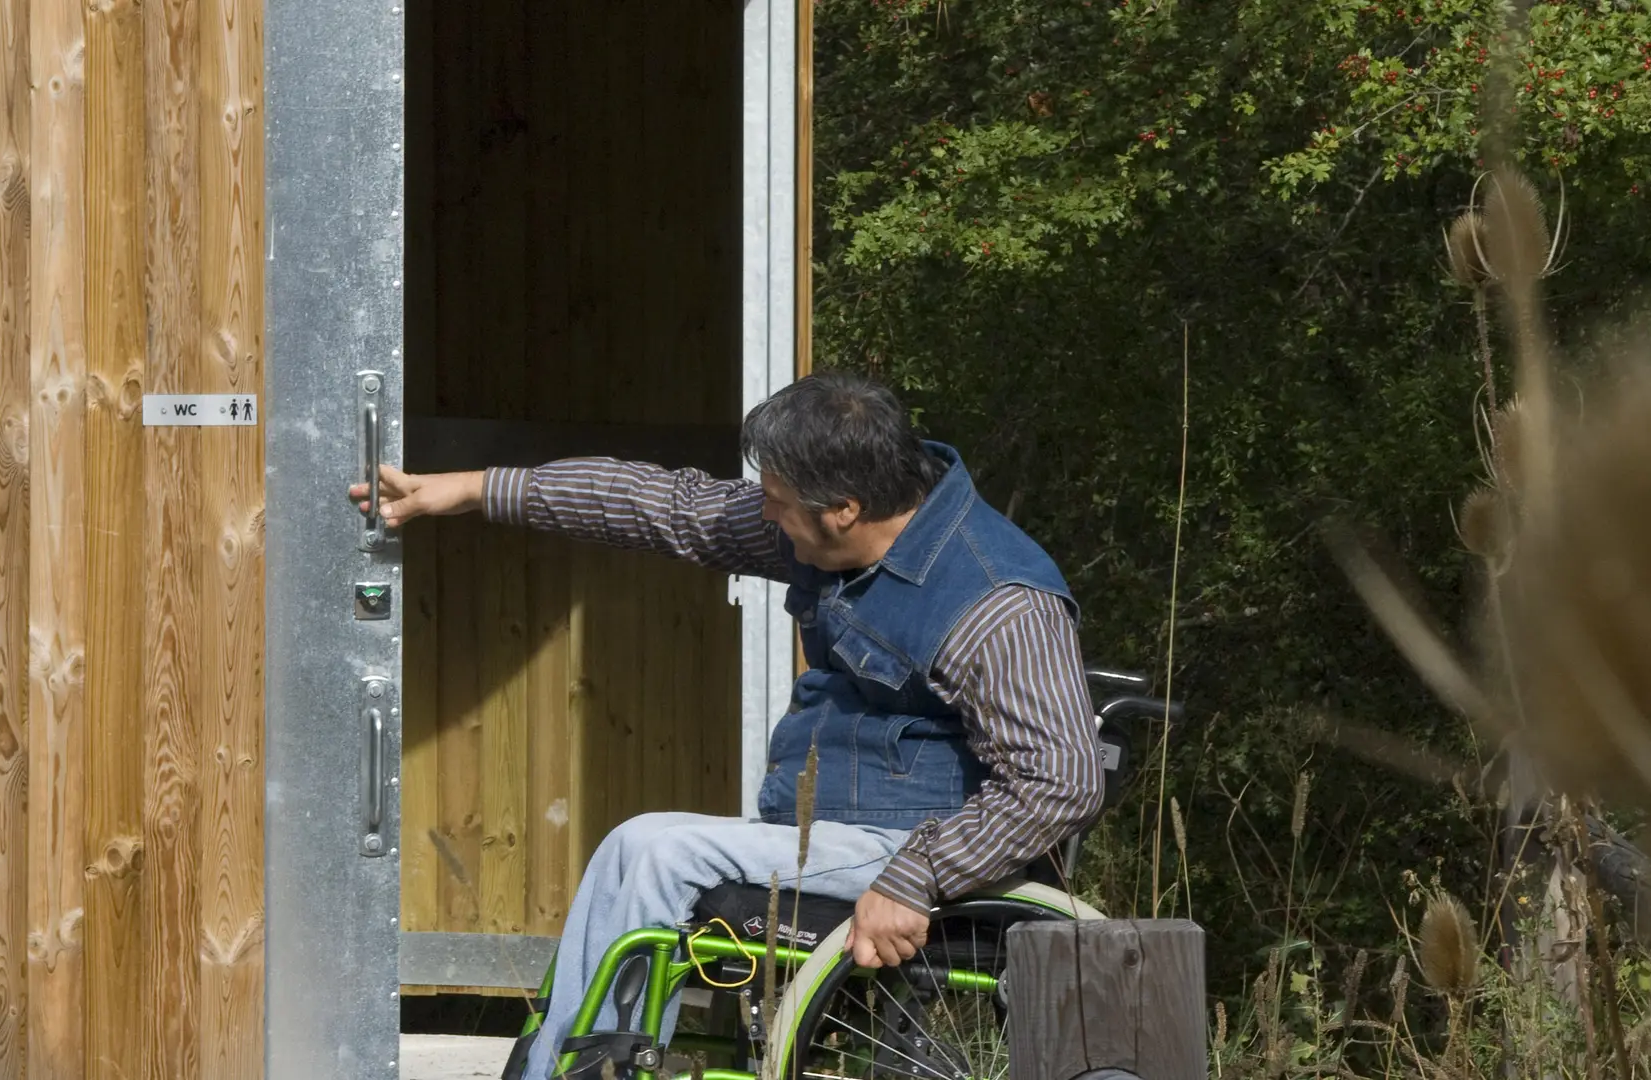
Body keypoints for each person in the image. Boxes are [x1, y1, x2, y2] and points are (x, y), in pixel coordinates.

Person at [348, 372, 1103, 1080]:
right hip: (832, 833)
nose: (764, 512)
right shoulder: (840, 527)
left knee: (660, 852)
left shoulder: (996, 601)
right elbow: (663, 506)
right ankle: (557, 1064)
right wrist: (471, 490)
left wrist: (916, 876)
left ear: (843, 508)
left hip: (920, 845)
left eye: (776, 500)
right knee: (631, 847)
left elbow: (1062, 781)